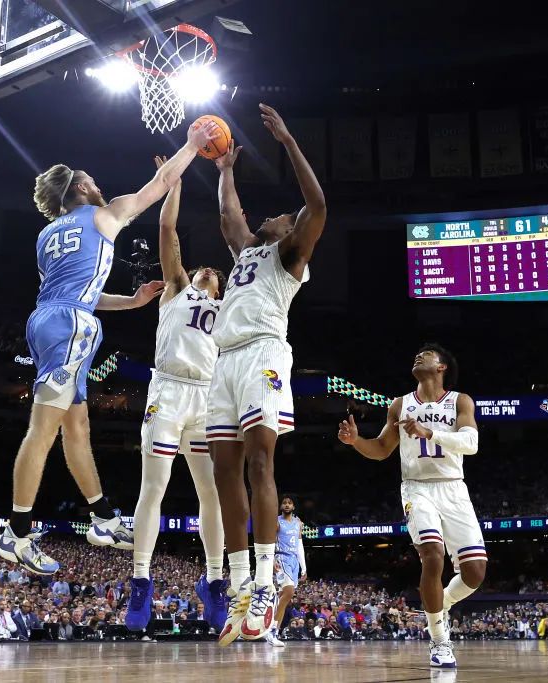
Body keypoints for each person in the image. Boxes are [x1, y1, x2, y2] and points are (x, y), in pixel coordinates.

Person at [0, 119, 221, 575]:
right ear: (80, 186)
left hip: (51, 320)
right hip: (70, 326)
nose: (100, 186)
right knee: (44, 430)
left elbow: (73, 290)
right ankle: (15, 533)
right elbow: (158, 184)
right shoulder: (105, 212)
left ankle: (102, 518)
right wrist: (192, 145)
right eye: (92, 181)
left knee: (77, 429)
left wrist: (132, 301)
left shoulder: (46, 236)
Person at [207, 104, 327, 646]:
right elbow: (229, 218)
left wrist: (287, 140)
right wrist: (226, 169)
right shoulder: (245, 255)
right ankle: (238, 591)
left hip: (263, 355)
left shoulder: (289, 256)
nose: (273, 217)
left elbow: (317, 204)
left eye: (280, 216)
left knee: (259, 459)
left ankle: (262, 581)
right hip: (224, 359)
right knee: (223, 472)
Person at [337, 343, 487, 669]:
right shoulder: (399, 405)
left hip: (453, 489)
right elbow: (380, 449)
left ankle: (439, 603)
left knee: (475, 574)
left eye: (428, 355)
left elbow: (471, 443)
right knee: (431, 554)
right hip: (416, 488)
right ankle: (439, 641)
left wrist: (428, 431)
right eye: (417, 355)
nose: (419, 356)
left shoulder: (460, 400)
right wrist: (355, 442)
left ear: (442, 366)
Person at [126, 155, 227, 633]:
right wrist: (176, 182)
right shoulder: (177, 288)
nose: (207, 270)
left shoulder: (228, 308)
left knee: (212, 491)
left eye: (214, 271)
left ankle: (214, 581)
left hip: (206, 398)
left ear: (221, 285)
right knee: (156, 488)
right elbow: (168, 230)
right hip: (167, 389)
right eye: (202, 266)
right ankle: (141, 581)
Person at [267, 496, 308, 648]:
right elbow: (270, 541)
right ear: (280, 506)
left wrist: (304, 567)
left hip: (293, 561)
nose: (286, 505)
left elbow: (299, 546)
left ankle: (273, 629)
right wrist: (271, 560)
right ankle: (272, 630)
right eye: (284, 502)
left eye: (289, 503)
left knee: (284, 597)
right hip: (281, 558)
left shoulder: (298, 523)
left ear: (294, 506)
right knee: (289, 592)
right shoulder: (277, 522)